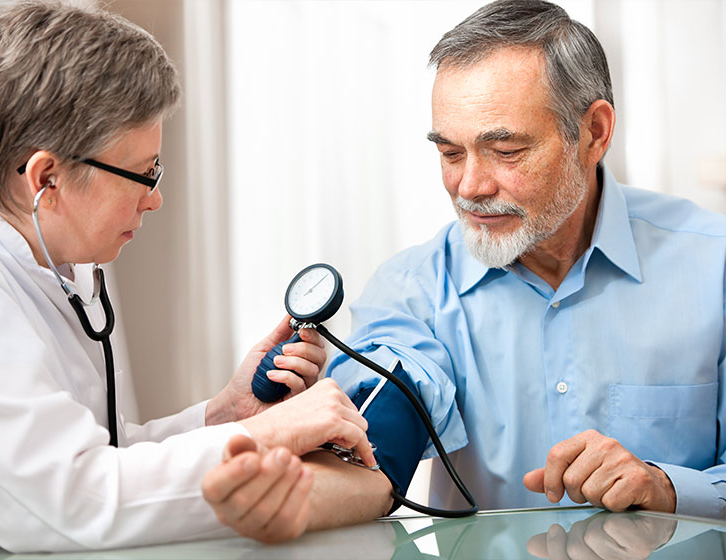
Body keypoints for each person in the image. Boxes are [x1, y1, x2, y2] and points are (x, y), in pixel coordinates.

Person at [203, 0, 726, 539]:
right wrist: (297, 495)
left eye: (506, 150)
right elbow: (377, 448)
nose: (470, 188)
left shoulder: (714, 266)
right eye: (451, 154)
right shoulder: (411, 290)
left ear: (594, 132)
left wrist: (665, 487)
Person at [0, 0, 378, 552]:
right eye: (143, 174)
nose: (155, 198)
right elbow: (69, 502)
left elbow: (100, 457)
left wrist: (225, 415)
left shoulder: (54, 256)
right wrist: (265, 435)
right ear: (46, 178)